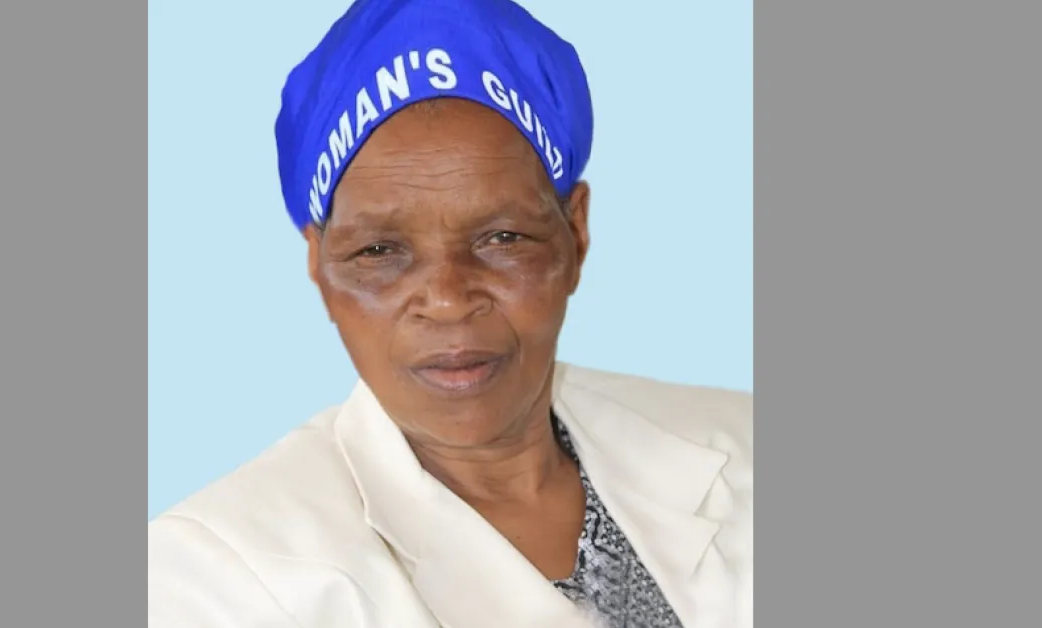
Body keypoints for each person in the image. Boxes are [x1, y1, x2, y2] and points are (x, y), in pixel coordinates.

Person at [147, 0, 752, 626]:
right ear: (320, 266)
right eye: (378, 251)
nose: (447, 298)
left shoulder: (747, 442)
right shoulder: (209, 579)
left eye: (503, 238)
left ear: (575, 235)